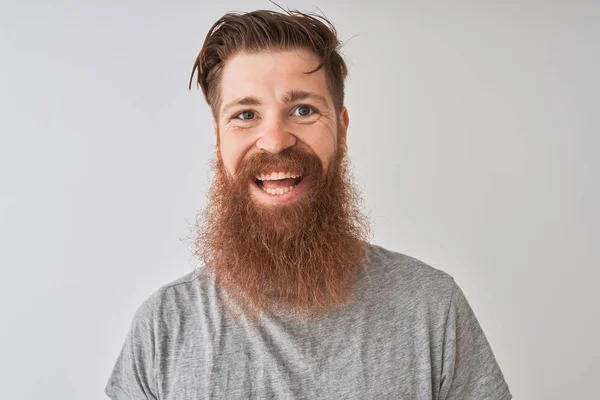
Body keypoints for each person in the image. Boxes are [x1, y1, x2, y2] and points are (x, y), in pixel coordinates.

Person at [105, 8, 512, 400]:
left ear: (341, 127)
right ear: (218, 138)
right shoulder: (163, 327)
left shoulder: (432, 309)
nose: (276, 139)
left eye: (303, 110)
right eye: (246, 115)